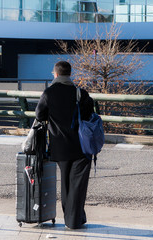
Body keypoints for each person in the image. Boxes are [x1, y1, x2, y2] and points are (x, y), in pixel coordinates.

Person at [36, 61, 94, 229]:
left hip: (59, 146)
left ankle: (73, 218)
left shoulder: (49, 93)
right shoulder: (79, 93)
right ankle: (74, 220)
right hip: (81, 146)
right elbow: (90, 112)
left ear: (55, 74)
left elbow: (39, 115)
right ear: (69, 74)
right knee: (78, 184)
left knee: (66, 183)